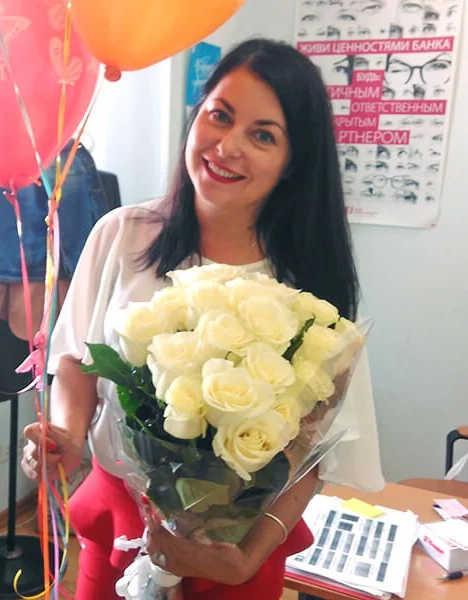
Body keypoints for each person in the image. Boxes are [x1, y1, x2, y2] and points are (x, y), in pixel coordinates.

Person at [21, 38, 384, 600]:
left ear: (294, 162)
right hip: (121, 526)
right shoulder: (122, 234)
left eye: (263, 135)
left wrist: (249, 555)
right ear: (196, 117)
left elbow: (316, 448)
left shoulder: (312, 283)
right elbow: (77, 359)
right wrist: (66, 435)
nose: (227, 145)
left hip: (238, 547)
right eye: (220, 116)